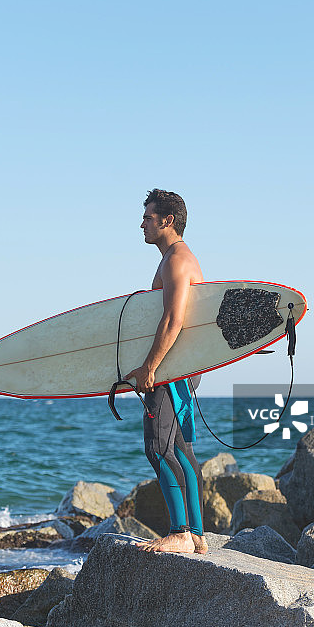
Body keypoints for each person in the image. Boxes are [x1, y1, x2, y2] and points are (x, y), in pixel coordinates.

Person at [125, 189, 208, 554]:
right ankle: (198, 535)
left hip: (170, 369)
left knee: (158, 448)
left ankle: (181, 533)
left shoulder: (176, 260)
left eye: (148, 216)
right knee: (179, 448)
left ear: (167, 220)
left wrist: (149, 367)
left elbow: (174, 320)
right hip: (181, 368)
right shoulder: (173, 258)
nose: (142, 222)